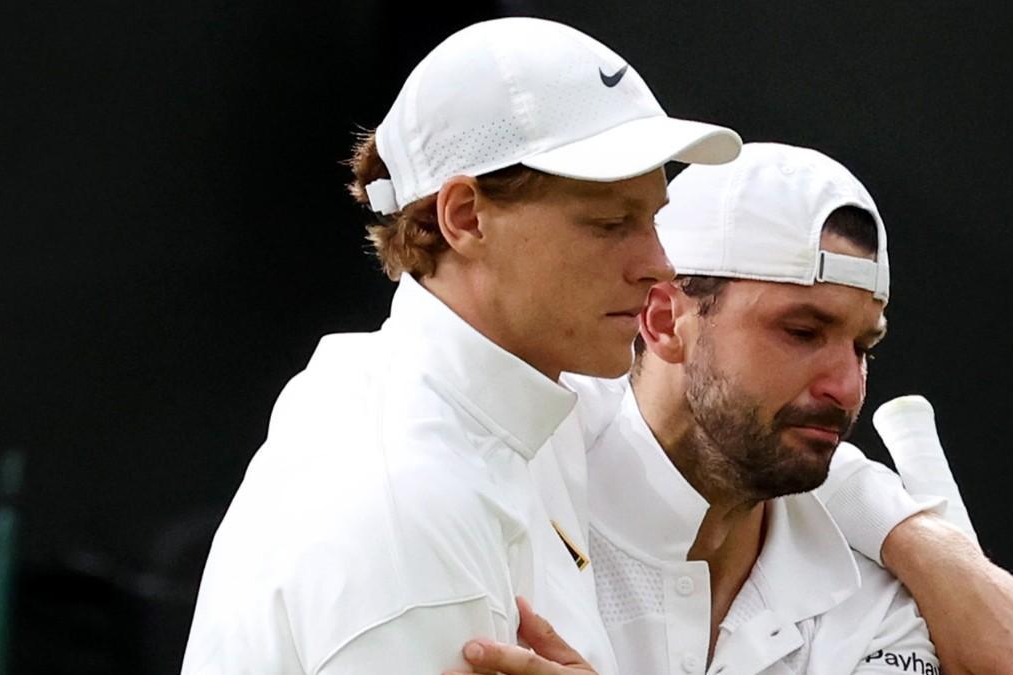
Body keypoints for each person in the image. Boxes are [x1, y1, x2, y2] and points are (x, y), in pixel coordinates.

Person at [181, 17, 742, 674]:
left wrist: (890, 522)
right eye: (611, 223)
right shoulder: (410, 503)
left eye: (652, 218)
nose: (659, 264)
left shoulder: (487, 387)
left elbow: (757, 428)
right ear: (465, 218)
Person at [453, 144, 1013, 675]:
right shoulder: (507, 482)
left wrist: (919, 543)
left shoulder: (882, 597)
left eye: (863, 345)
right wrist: (915, 535)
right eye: (802, 331)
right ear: (665, 320)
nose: (846, 386)